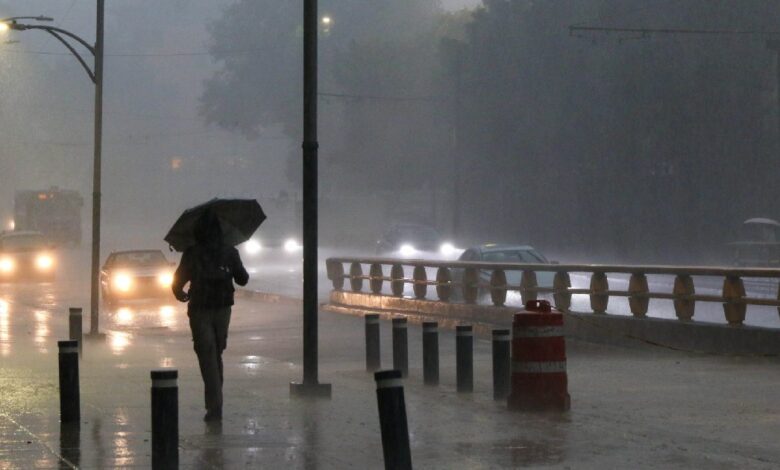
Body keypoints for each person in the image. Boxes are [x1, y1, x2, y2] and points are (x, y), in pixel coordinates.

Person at [172, 211, 249, 421]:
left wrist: (181, 293)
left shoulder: (192, 253)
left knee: (207, 354)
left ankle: (214, 405)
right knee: (216, 353)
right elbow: (243, 279)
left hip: (199, 308)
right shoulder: (230, 252)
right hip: (223, 308)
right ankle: (216, 402)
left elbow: (177, 282)